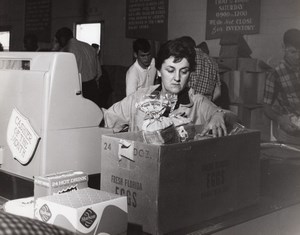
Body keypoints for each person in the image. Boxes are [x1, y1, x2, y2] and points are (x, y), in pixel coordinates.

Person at [104, 37, 234, 137]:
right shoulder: (139, 98)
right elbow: (107, 118)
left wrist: (219, 115)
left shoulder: (197, 102)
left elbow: (234, 120)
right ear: (159, 71)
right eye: (170, 70)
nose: (177, 78)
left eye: (183, 71)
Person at [263, 28, 300, 145]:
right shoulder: (275, 74)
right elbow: (266, 107)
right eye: (293, 52)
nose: (298, 57)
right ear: (283, 48)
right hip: (292, 134)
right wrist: (280, 120)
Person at [55, 27, 102, 106]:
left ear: (62, 38)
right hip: (92, 87)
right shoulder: (89, 47)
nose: (58, 43)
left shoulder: (66, 51)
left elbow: (63, 76)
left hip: (77, 89)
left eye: (58, 40)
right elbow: (99, 73)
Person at [179, 36, 221, 102]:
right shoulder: (213, 61)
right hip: (205, 108)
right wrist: (206, 103)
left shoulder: (186, 58)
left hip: (187, 106)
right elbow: (218, 92)